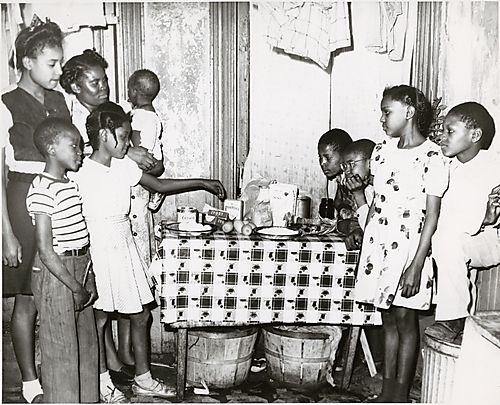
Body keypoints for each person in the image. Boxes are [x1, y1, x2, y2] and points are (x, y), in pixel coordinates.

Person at [72, 101, 226, 401]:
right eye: (124, 135)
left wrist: (201, 182)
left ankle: (144, 379)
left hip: (123, 243)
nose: (129, 143)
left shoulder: (123, 166)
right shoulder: (81, 172)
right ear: (104, 135)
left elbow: (158, 184)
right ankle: (103, 381)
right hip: (98, 246)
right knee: (99, 319)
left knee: (141, 315)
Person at [60, 49, 160, 385]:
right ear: (75, 87)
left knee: (127, 296)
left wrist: (128, 149)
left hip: (123, 220)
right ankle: (104, 372)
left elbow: (148, 166)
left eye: (104, 80)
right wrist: (125, 150)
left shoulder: (112, 117)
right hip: (98, 228)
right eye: (95, 82)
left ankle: (119, 362)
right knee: (101, 306)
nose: (103, 87)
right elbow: (73, 156)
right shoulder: (71, 119)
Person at [354, 85, 449, 403]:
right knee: (388, 319)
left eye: (387, 111)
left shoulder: (433, 156)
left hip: (409, 251)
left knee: (406, 319)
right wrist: (365, 255)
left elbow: (432, 217)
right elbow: (377, 204)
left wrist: (417, 264)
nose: (381, 118)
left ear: (409, 112)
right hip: (379, 248)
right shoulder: (380, 152)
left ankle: (400, 393)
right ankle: (387, 390)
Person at [1, 18, 70, 403]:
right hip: (22, 199)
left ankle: (60, 372)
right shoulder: (5, 104)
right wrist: (6, 232)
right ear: (28, 61)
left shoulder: (59, 101)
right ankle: (30, 385)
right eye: (52, 63)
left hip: (60, 199)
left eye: (61, 63)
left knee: (60, 287)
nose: (59, 72)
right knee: (27, 296)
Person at [26, 118, 99, 403]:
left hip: (79, 266)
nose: (80, 152)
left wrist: (87, 280)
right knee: (61, 347)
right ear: (51, 148)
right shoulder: (42, 188)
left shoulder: (70, 185)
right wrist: (75, 287)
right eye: (74, 147)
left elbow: (81, 236)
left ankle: (86, 398)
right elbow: (45, 250)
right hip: (57, 273)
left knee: (85, 343)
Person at [427, 102, 500, 344]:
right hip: (457, 238)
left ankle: (453, 318)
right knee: (446, 239)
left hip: (488, 240)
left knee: (448, 240)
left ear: (475, 135)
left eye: (450, 131)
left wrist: (489, 217)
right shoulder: (445, 165)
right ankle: (461, 319)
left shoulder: (494, 166)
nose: (442, 137)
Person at [127, 69, 165, 269]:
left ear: (134, 91)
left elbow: (138, 152)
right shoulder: (150, 115)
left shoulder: (141, 117)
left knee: (138, 237)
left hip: (139, 181)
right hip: (148, 171)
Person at [317, 128, 362, 250]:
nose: (322, 163)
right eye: (320, 158)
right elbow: (338, 203)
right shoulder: (341, 178)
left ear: (344, 155)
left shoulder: (358, 178)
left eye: (327, 157)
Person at [341, 139, 376, 229]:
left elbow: (370, 230)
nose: (347, 171)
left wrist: (358, 195)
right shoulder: (366, 188)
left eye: (351, 164)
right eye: (345, 166)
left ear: (370, 163)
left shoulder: (381, 190)